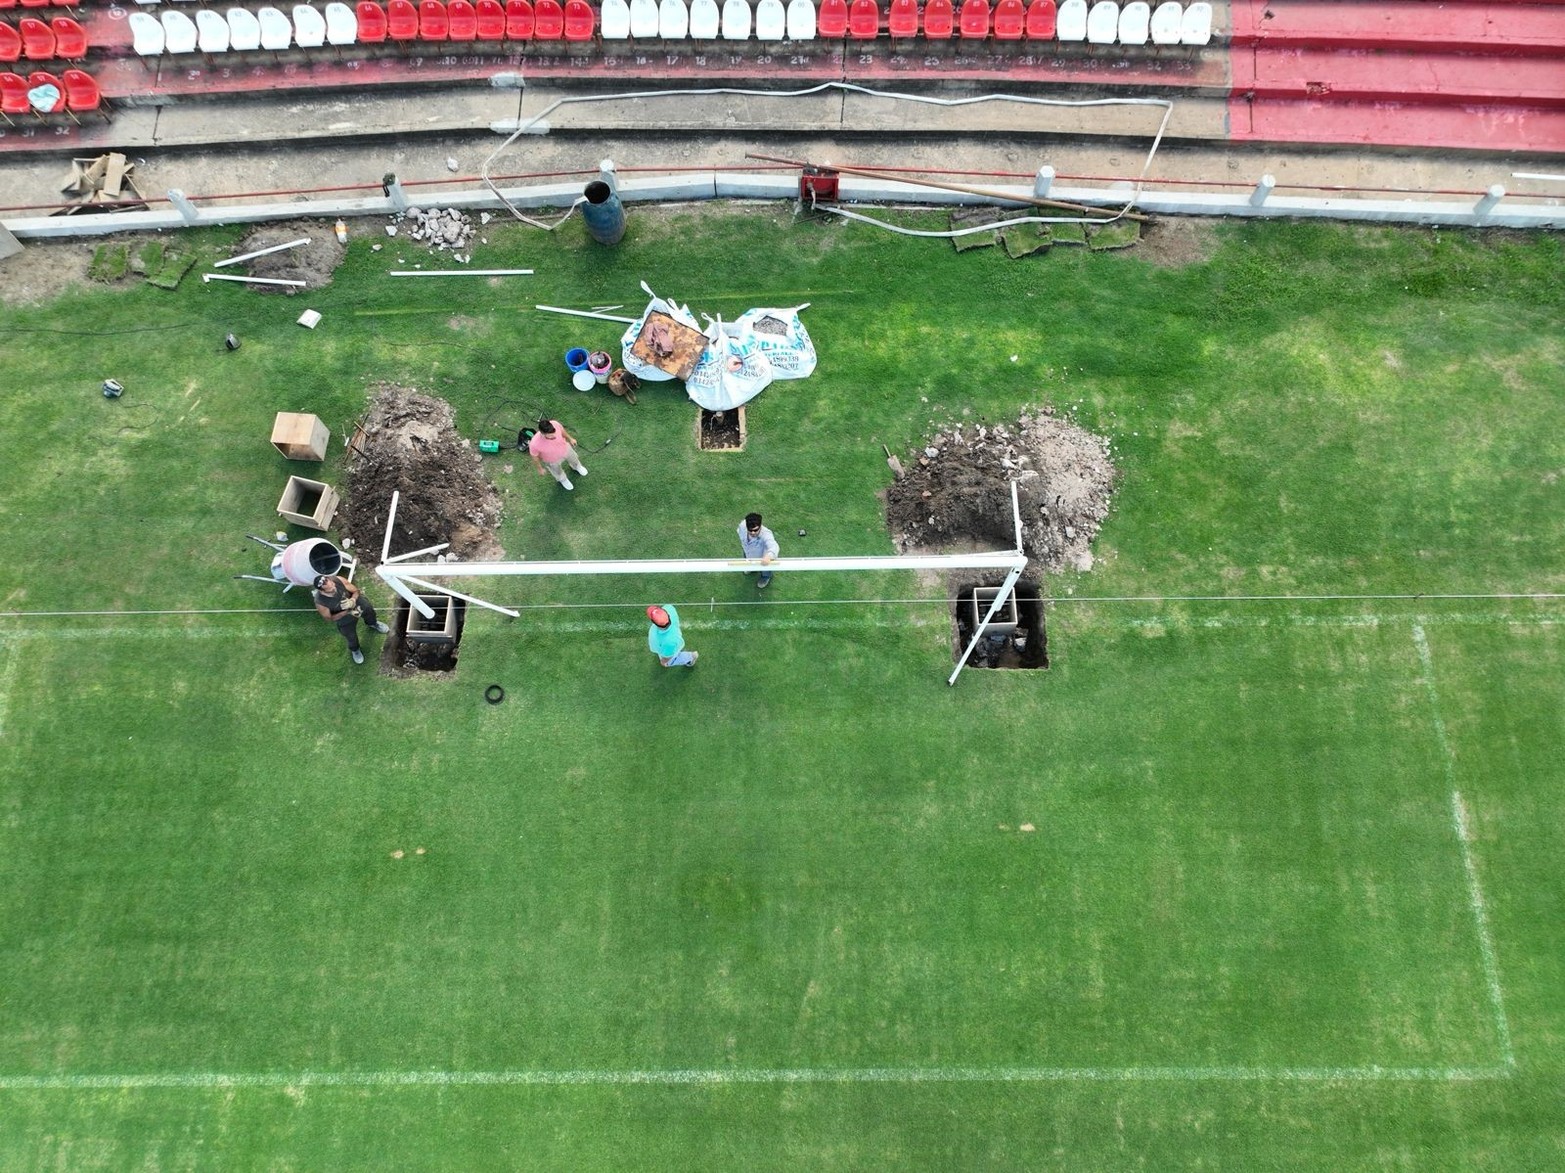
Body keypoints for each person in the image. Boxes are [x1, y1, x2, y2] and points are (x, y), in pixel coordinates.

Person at [313, 573, 389, 665]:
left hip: (354, 602)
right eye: (330, 589)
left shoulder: (338, 580)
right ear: (322, 591)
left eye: (332, 583)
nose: (333, 587)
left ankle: (373, 623)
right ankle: (355, 649)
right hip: (342, 616)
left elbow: (356, 591)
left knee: (368, 610)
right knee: (350, 635)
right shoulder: (320, 602)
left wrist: (353, 600)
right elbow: (329, 618)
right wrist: (347, 612)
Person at [527, 417, 589, 491]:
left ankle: (577, 467)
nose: (554, 435)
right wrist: (539, 468)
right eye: (550, 435)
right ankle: (563, 479)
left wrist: (570, 438)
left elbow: (562, 431)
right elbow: (535, 457)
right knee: (557, 471)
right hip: (552, 460)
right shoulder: (534, 444)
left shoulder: (555, 424)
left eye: (554, 432)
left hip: (565, 449)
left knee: (574, 459)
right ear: (543, 433)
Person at [737, 512, 779, 588]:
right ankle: (750, 568)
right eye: (750, 530)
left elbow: (774, 546)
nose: (753, 533)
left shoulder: (766, 534)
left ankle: (765, 577)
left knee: (765, 569)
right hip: (748, 551)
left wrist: (769, 556)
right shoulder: (742, 526)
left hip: (763, 557)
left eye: (756, 530)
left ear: (760, 526)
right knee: (747, 558)